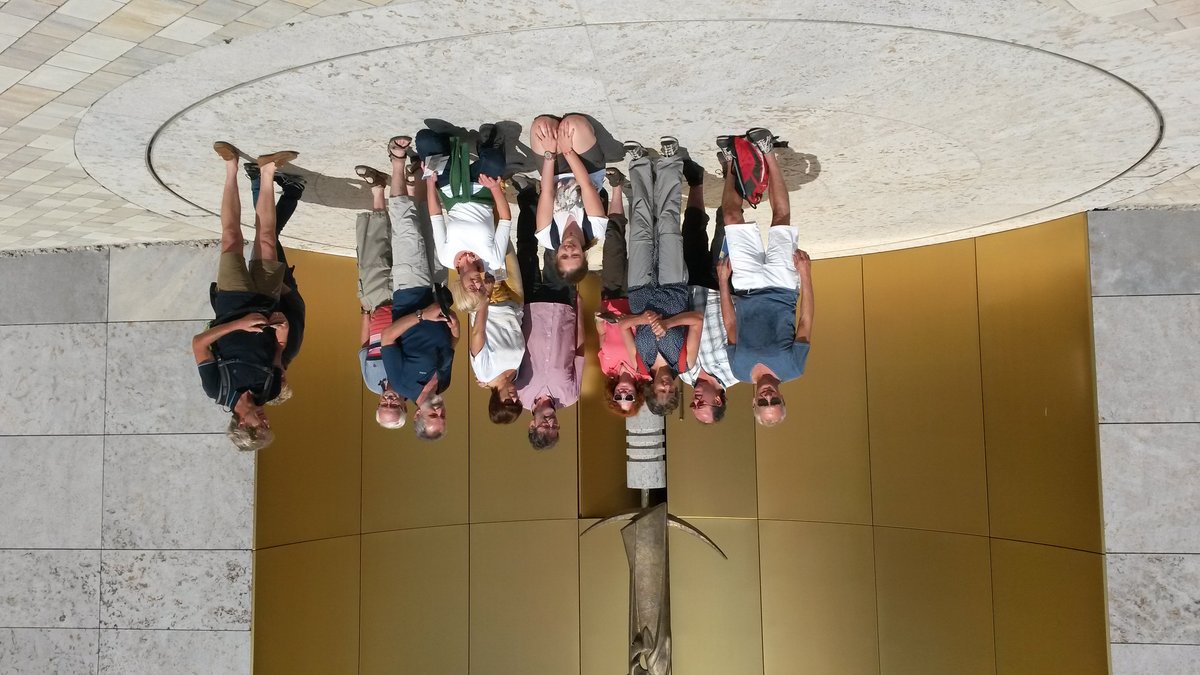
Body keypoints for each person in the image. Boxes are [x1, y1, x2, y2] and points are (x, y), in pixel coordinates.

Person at [194, 142, 296, 451]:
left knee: (231, 237)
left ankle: (231, 167)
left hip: (232, 301)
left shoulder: (217, 389)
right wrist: (283, 328)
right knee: (267, 239)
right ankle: (267, 171)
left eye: (259, 426)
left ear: (242, 424)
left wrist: (238, 325)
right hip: (266, 301)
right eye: (267, 426)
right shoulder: (269, 389)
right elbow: (279, 351)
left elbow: (199, 344)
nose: (265, 421)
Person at [717, 128, 815, 427]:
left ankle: (731, 163)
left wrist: (723, 282)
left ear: (754, 402)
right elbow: (805, 321)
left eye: (763, 403)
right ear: (783, 399)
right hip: (783, 286)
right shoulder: (793, 368)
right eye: (775, 402)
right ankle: (768, 151)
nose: (768, 397)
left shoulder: (738, 370)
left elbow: (730, 324)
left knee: (731, 218)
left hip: (746, 287)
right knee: (780, 220)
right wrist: (806, 275)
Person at [375, 135, 460, 441]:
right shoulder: (444, 384)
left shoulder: (402, 383)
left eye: (433, 416)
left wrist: (422, 316)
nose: (439, 411)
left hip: (410, 292)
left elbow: (387, 338)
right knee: (429, 224)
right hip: (438, 290)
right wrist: (455, 330)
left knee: (407, 228)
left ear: (418, 415)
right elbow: (451, 346)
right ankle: (422, 171)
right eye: (443, 417)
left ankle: (397, 161)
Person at [622, 137, 702, 417]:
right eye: (671, 391)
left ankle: (639, 163)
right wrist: (668, 323)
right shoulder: (685, 362)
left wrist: (643, 320)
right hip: (673, 285)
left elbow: (623, 326)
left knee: (640, 227)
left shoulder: (640, 363)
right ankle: (669, 162)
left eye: (660, 391)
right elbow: (697, 320)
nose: (666, 387)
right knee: (668, 223)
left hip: (639, 289)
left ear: (651, 388)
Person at [513, 169, 585, 450]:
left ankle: (527, 194)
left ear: (532, 425)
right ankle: (555, 197)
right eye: (555, 427)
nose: (551, 423)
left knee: (526, 250)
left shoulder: (519, 393)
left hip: (529, 308)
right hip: (563, 308)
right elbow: (580, 351)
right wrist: (579, 309)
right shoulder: (571, 395)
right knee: (555, 250)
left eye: (545, 427)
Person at [353, 138, 421, 430]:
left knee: (374, 248)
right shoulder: (412, 382)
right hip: (405, 299)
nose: (390, 401)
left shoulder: (371, 382)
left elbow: (364, 347)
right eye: (395, 406)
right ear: (404, 406)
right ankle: (409, 181)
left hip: (376, 302)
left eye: (385, 406)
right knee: (405, 240)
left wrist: (364, 315)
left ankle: (378, 189)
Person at [413, 128, 510, 311]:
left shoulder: (446, 258)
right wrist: (496, 188)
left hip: (449, 187)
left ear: (460, 287)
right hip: (482, 188)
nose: (478, 284)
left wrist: (430, 183)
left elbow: (436, 216)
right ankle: (485, 150)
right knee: (494, 161)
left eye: (472, 288)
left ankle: (445, 149)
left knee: (424, 139)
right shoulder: (493, 261)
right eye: (481, 289)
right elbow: (505, 219)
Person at [678, 160, 738, 424]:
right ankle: (731, 174)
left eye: (692, 404)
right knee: (726, 227)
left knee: (691, 230)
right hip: (720, 285)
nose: (695, 399)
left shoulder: (685, 373)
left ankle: (696, 182)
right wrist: (728, 284)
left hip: (689, 290)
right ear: (718, 400)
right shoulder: (735, 371)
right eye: (700, 403)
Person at [245, 159, 306, 399]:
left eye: (273, 381)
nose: (278, 377)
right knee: (266, 235)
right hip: (279, 285)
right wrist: (280, 284)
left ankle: (287, 189)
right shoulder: (290, 349)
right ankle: (264, 182)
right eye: (282, 381)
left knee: (266, 234)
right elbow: (298, 309)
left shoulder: (261, 354)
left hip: (260, 286)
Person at [593, 167, 650, 417]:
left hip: (610, 296)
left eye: (619, 397)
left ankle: (616, 187)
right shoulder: (644, 371)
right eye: (629, 398)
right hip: (637, 298)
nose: (624, 393)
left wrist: (599, 319)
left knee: (613, 240)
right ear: (637, 395)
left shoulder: (607, 368)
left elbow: (601, 335)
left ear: (613, 393)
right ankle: (640, 194)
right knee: (640, 242)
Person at [528, 114, 610, 285]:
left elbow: (547, 192)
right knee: (572, 124)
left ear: (556, 256)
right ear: (584, 255)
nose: (569, 249)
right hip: (588, 170)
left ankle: (559, 137)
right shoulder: (596, 230)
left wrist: (550, 153)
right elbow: (586, 185)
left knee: (541, 126)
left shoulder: (547, 237)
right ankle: (581, 138)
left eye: (564, 256)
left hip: (554, 172)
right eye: (575, 255)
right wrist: (567, 151)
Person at [459, 245, 525, 425]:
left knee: (481, 245)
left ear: (496, 400)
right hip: (515, 301)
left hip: (491, 298)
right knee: (505, 244)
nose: (514, 397)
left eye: (508, 402)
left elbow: (478, 331)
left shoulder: (484, 373)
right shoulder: (516, 375)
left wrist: (485, 296)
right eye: (517, 402)